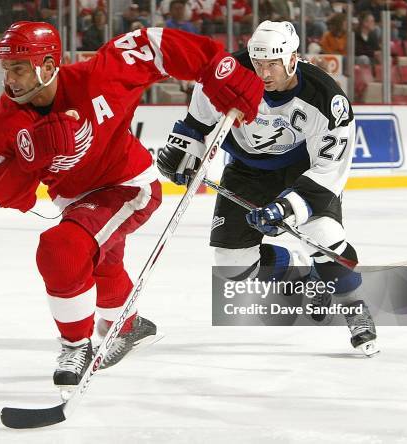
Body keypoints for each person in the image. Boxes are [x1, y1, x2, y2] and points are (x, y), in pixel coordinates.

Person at [0, 21, 262, 386]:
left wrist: (217, 67)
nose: (11, 80)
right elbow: (2, 191)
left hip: (128, 186)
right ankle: (128, 327)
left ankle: (75, 345)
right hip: (78, 201)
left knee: (61, 247)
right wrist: (30, 159)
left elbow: (152, 43)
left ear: (47, 66)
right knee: (103, 265)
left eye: (19, 68)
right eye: (8, 69)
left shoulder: (98, 78)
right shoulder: (6, 120)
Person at [157, 20, 379, 357]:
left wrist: (286, 207)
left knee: (325, 236)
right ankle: (304, 275)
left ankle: (354, 308)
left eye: (272, 63)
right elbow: (197, 124)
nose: (263, 72)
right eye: (257, 62)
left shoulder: (326, 98)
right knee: (231, 265)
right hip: (246, 170)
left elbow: (328, 171)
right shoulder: (227, 74)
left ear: (293, 59)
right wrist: (183, 153)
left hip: (301, 173)